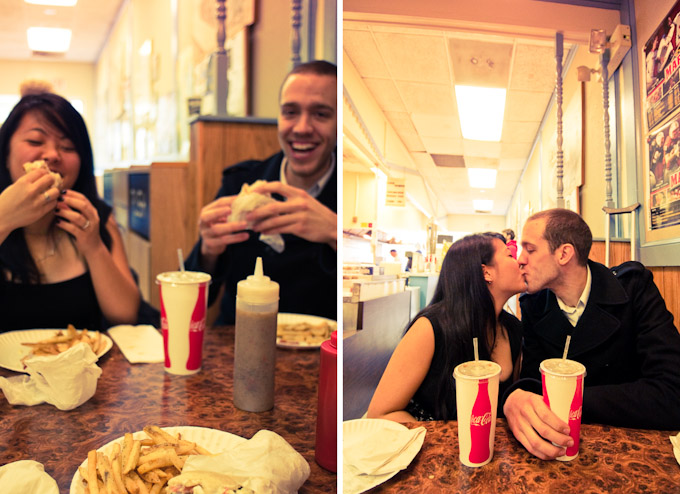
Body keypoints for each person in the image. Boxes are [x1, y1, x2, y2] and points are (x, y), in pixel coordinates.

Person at [503, 208, 680, 460]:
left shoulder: (634, 290)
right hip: (558, 453)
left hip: (634, 455)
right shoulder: (534, 305)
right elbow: (534, 381)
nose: (519, 259)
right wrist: (515, 396)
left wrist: (569, 401)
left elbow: (671, 393)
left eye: (530, 250)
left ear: (564, 253)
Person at [184, 60, 337, 324]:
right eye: (290, 112)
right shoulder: (239, 184)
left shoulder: (341, 199)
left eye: (320, 114)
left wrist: (335, 233)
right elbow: (191, 305)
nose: (301, 128)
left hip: (316, 353)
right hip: (238, 344)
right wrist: (209, 250)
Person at [0, 90, 140, 331]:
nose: (53, 155)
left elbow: (125, 315)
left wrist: (93, 246)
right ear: (5, 154)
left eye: (67, 146)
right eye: (35, 141)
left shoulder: (96, 218)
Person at [366, 233, 527, 422]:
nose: (520, 262)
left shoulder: (513, 328)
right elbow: (381, 414)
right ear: (486, 273)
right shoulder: (431, 328)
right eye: (510, 255)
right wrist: (447, 444)